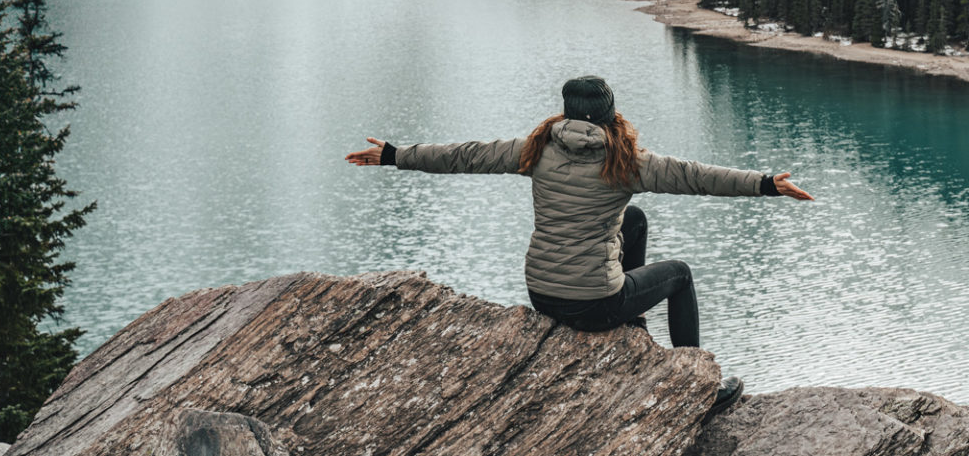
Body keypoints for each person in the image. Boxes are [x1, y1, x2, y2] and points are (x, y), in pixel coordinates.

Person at [345, 75, 813, 413]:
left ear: (567, 112)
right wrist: (767, 183)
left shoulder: (535, 148)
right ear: (610, 114)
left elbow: (464, 156)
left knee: (632, 218)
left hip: (543, 294)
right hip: (593, 303)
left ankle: (633, 327)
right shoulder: (627, 161)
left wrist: (394, 155)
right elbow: (697, 177)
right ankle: (696, 388)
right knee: (680, 275)